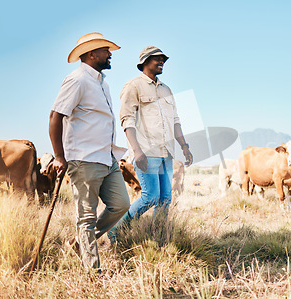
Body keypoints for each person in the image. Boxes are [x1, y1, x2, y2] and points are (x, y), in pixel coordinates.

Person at [49, 32, 130, 271]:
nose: (110, 54)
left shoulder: (102, 83)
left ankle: (78, 243)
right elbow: (56, 116)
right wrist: (60, 156)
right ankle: (93, 272)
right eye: (106, 50)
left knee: (121, 204)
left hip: (107, 157)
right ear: (92, 53)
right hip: (84, 159)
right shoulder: (77, 80)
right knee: (86, 217)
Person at [112, 46, 193, 237]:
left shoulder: (166, 90)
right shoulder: (133, 86)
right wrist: (136, 151)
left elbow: (175, 121)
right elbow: (127, 120)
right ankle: (117, 230)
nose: (161, 62)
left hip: (166, 152)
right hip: (146, 151)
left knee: (165, 198)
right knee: (150, 197)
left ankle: (157, 236)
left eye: (163, 59)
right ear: (145, 63)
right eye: (157, 59)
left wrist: (184, 146)